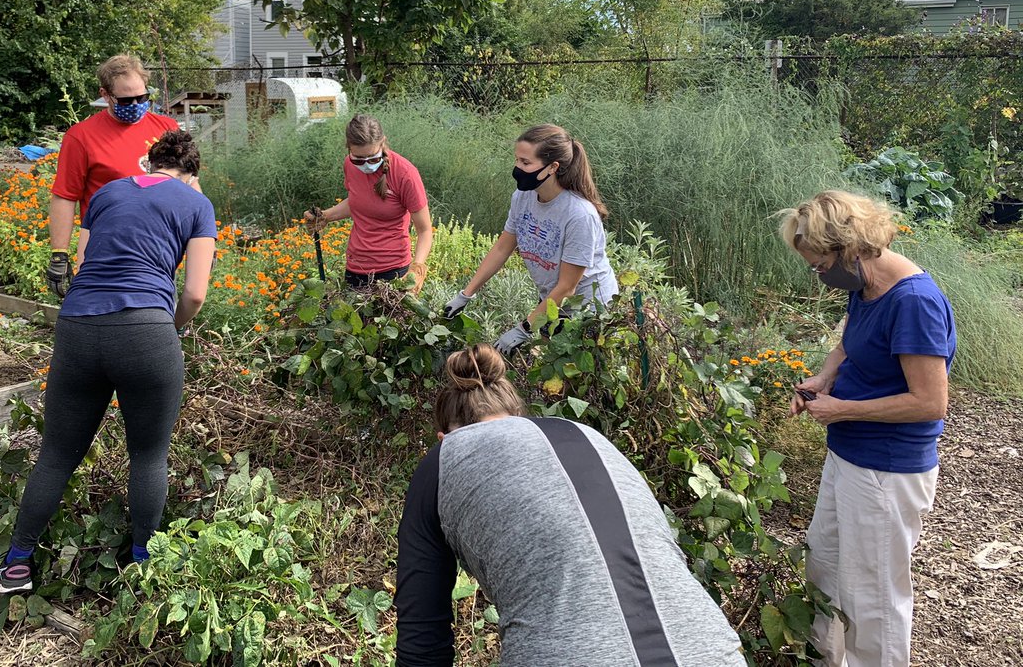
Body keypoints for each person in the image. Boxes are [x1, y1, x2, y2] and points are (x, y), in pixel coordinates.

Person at [395, 343, 746, 667]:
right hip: (711, 648)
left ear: (445, 436)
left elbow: (422, 641)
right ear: (519, 414)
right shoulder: (585, 434)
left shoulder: (445, 458)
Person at [0, 131, 215, 593]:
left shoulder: (108, 193)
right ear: (192, 174)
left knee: (56, 454)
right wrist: (165, 328)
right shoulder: (197, 204)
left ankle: (15, 564)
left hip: (78, 327)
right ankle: (142, 569)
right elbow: (194, 293)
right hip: (145, 331)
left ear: (148, 164)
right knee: (148, 455)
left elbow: (84, 260)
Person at [778, 190, 955, 667]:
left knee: (873, 597)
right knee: (828, 569)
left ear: (848, 248)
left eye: (819, 265)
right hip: (849, 455)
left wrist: (841, 411)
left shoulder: (914, 302)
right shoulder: (867, 286)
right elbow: (851, 339)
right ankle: (825, 659)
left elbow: (929, 403)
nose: (817, 274)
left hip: (885, 470)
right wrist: (825, 376)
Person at [443, 124, 618, 355]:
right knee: (553, 375)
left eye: (526, 163)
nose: (517, 168)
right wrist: (466, 294)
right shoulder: (523, 197)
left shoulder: (579, 215)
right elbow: (502, 249)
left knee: (579, 376)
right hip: (552, 302)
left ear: (553, 167)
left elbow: (567, 287)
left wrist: (524, 329)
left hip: (587, 310)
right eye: (517, 160)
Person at [46, 54, 179, 298]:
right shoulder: (81, 137)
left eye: (142, 97)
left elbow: (188, 187)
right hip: (105, 251)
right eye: (126, 100)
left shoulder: (167, 129)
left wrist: (202, 238)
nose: (136, 104)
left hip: (159, 247)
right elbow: (65, 196)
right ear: (105, 94)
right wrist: (59, 253)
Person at [304, 115, 433, 294]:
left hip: (393, 271)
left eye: (373, 158)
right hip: (356, 268)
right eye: (358, 159)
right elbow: (359, 201)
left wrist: (417, 268)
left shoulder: (405, 173)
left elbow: (425, 230)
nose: (365, 165)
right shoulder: (349, 165)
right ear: (348, 148)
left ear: (383, 143)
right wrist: (326, 216)